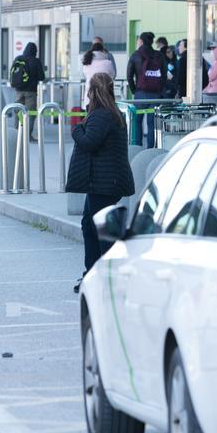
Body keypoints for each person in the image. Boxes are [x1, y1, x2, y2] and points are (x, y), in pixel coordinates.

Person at [67, 73, 135, 290]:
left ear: (93, 91)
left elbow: (89, 142)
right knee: (91, 225)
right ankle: (95, 273)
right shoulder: (111, 112)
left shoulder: (101, 115)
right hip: (106, 181)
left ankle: (103, 276)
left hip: (104, 182)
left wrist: (76, 129)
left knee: (99, 229)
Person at [126, 31, 164, 148]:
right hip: (155, 95)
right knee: (152, 123)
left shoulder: (135, 55)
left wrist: (134, 90)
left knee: (137, 121)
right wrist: (159, 89)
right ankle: (151, 148)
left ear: (141, 41)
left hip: (140, 94)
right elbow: (163, 75)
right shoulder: (158, 55)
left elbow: (129, 75)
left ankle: (137, 146)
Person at [8, 42, 45, 140]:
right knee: (30, 113)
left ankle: (16, 134)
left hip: (18, 90)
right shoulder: (36, 61)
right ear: (35, 51)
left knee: (18, 112)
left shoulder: (18, 59)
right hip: (31, 92)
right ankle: (27, 135)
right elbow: (42, 77)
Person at [80, 39, 115, 107]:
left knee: (90, 114)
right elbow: (112, 75)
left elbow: (85, 75)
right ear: (102, 50)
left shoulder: (87, 63)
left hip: (90, 95)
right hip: (105, 95)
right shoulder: (108, 63)